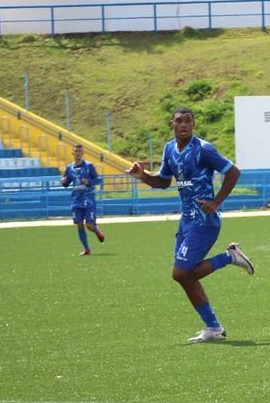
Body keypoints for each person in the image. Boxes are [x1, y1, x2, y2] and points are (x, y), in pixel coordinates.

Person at [127, 107, 255, 343]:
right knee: (185, 277)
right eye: (179, 121)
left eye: (188, 121)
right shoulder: (169, 149)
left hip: (204, 221)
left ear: (193, 125)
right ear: (172, 124)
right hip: (186, 221)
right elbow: (164, 182)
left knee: (181, 273)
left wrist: (216, 202)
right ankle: (213, 328)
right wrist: (143, 175)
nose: (183, 124)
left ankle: (229, 257)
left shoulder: (203, 149)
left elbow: (234, 172)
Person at [60, 143, 105, 255]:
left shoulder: (89, 166)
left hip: (88, 200)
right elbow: (67, 183)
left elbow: (98, 180)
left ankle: (96, 230)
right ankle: (87, 249)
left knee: (89, 225)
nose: (78, 153)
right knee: (79, 224)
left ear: (83, 153)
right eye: (76, 151)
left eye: (80, 151)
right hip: (76, 200)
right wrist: (63, 182)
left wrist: (89, 182)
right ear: (73, 153)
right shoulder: (69, 168)